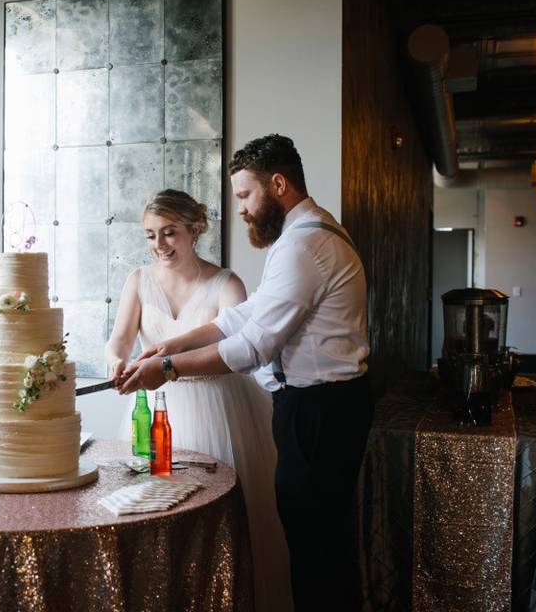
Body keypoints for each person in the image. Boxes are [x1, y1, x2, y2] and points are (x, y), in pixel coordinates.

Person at [119, 135, 372, 612]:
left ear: (278, 184)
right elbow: (248, 314)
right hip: (321, 406)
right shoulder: (306, 234)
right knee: (315, 542)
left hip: (321, 410)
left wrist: (167, 368)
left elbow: (254, 345)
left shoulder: (305, 245)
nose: (240, 208)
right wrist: (175, 342)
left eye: (244, 195)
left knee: (317, 550)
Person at [105, 188, 291, 611]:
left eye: (169, 233)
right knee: (155, 513)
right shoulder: (138, 281)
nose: (160, 245)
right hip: (154, 408)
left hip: (218, 408)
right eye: (151, 235)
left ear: (195, 229)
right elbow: (119, 339)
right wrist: (116, 360)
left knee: (217, 517)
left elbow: (242, 349)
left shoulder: (226, 284)